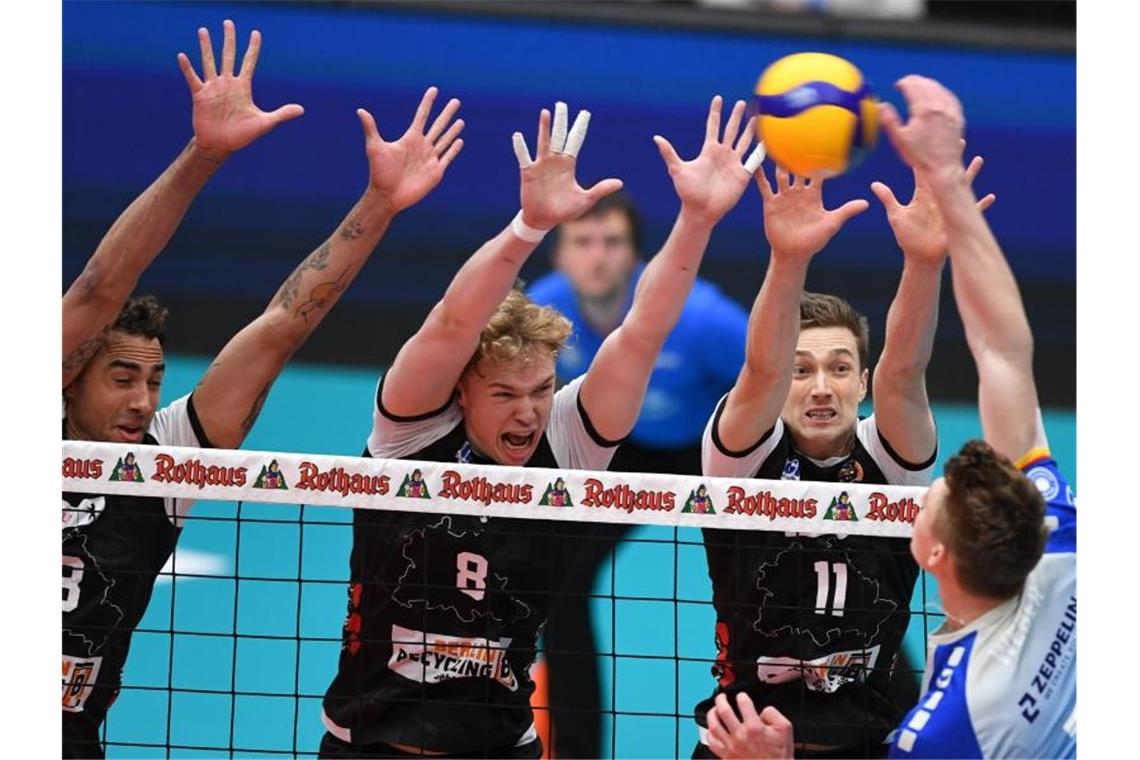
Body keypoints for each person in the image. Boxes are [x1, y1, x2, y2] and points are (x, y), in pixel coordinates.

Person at [61, 21, 465, 757]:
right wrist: (203, 155)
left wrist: (379, 204)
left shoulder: (166, 461)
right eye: (121, 378)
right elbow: (97, 288)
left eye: (154, 380)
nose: (142, 401)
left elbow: (283, 323)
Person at [319, 95, 766, 758]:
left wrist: (698, 219)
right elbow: (450, 323)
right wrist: (529, 225)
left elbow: (642, 336)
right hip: (371, 740)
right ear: (462, 390)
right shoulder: (408, 433)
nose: (528, 411)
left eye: (541, 390)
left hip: (504, 744)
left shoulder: (568, 437)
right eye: (504, 393)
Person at [701, 74, 1075, 760]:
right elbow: (759, 372)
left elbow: (906, 373)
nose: (819, 387)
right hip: (743, 738)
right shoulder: (739, 456)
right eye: (802, 369)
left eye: (840, 369)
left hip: (872, 737)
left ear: (861, 381)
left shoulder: (891, 453)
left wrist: (923, 261)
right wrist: (788, 259)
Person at [526, 189, 748, 757]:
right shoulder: (543, 316)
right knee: (556, 587)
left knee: (796, 574)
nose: (597, 256)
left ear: (635, 258)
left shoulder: (700, 317)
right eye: (582, 242)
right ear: (560, 256)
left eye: (612, 242)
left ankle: (889, 707)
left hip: (713, 452)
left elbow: (776, 377)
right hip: (621, 453)